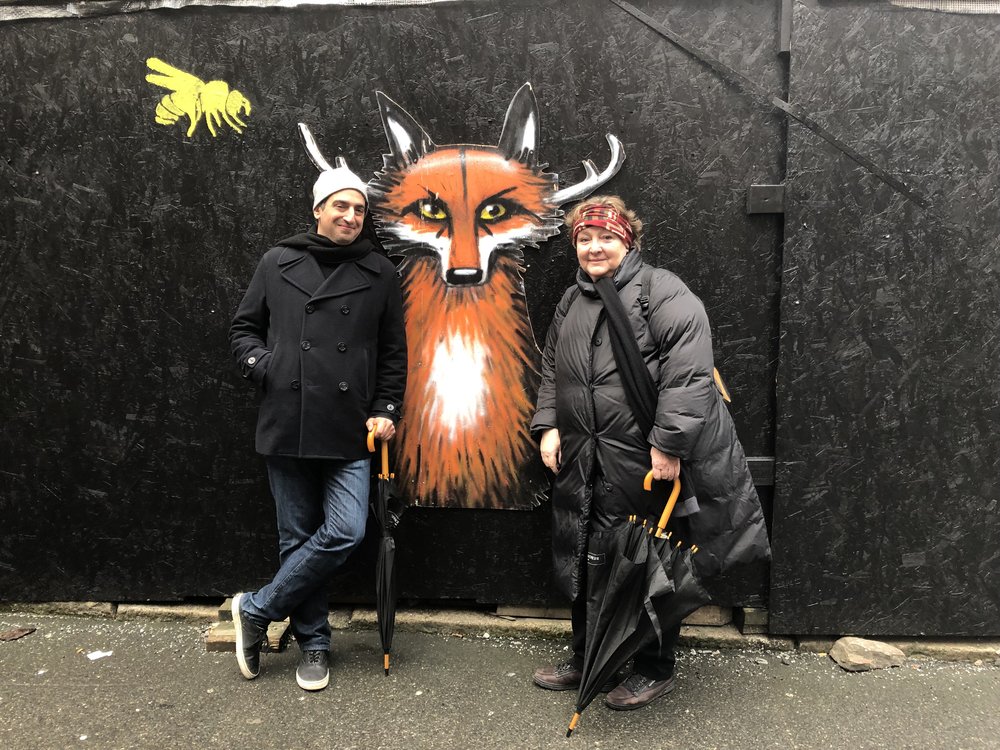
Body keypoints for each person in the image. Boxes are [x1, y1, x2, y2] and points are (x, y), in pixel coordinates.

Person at [530, 196, 769, 710]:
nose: (595, 247)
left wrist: (667, 444)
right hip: (584, 458)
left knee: (645, 560)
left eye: (606, 238)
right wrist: (548, 425)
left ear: (627, 241)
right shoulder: (572, 299)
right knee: (587, 557)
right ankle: (586, 655)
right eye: (584, 238)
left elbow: (689, 373)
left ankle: (654, 667)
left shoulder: (661, 291)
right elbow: (552, 368)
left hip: (640, 459)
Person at [228, 163, 407, 691]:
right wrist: (265, 366)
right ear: (318, 209)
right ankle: (315, 644)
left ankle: (257, 610)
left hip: (349, 425)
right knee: (296, 537)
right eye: (341, 206)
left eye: (358, 209)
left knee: (346, 530)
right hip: (287, 417)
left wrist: (388, 407)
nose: (351, 216)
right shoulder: (278, 261)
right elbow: (244, 328)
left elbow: (394, 352)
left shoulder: (380, 272)